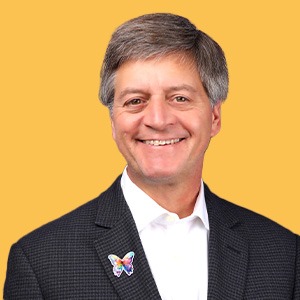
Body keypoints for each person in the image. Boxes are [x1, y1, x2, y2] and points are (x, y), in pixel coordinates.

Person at [4, 13, 299, 300]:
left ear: (215, 116)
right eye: (135, 101)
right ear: (113, 122)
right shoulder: (41, 262)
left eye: (180, 98)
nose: (158, 119)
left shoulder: (285, 256)